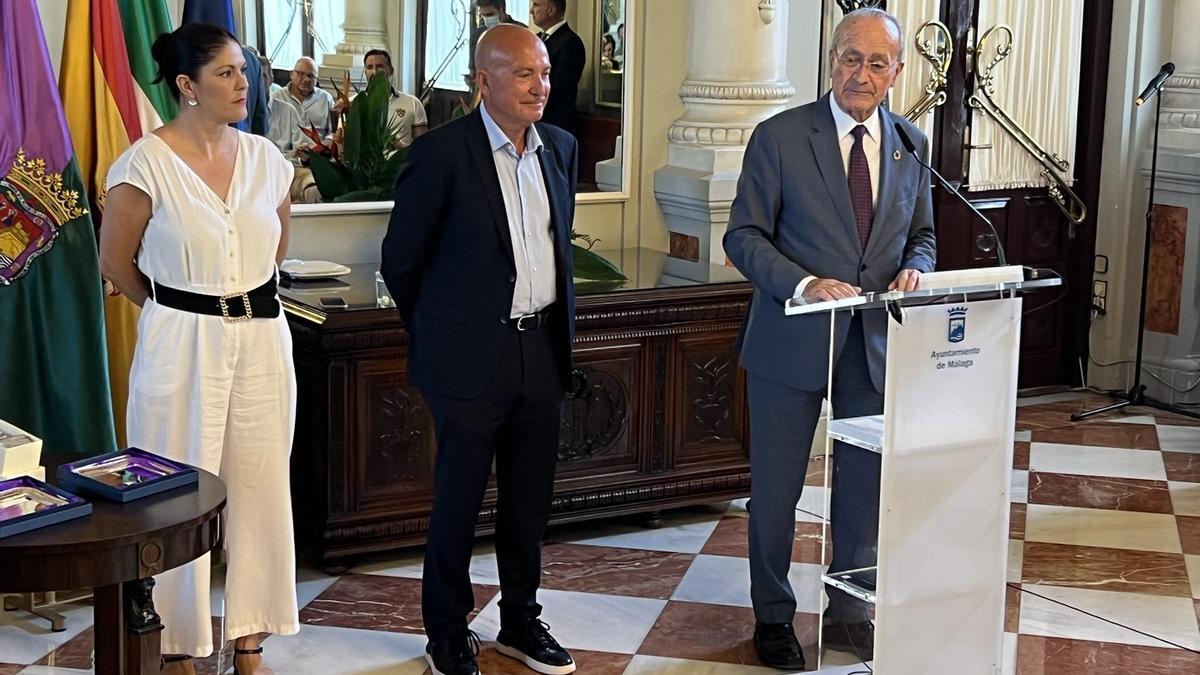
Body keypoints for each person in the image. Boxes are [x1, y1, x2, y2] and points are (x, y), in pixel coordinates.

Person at [722, 7, 936, 670]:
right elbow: (743, 237)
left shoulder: (911, 144)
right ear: (831, 60)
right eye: (850, 58)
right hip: (791, 344)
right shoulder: (781, 137)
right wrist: (806, 283)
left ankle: (851, 610)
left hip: (872, 346)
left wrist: (916, 270)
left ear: (897, 73)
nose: (860, 74)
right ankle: (774, 616)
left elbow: (923, 236)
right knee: (778, 492)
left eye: (877, 63)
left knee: (863, 491)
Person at [98, 22, 299, 675]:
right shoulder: (143, 163)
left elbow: (275, 249)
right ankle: (180, 642)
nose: (244, 84)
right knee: (175, 496)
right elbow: (115, 260)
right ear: (186, 85)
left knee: (262, 486)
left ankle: (250, 639)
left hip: (263, 338)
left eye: (244, 71)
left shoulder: (268, 161)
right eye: (226, 73)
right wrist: (178, 309)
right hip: (182, 342)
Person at [380, 24, 579, 675]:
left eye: (544, 73)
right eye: (523, 74)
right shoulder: (441, 155)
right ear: (483, 81)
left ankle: (520, 620)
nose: (539, 86)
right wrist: (446, 337)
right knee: (458, 502)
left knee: (529, 502)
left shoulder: (560, 149)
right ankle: (446, 630)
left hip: (540, 350)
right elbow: (401, 262)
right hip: (468, 361)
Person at [530, 0, 585, 138]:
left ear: (551, 10)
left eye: (536, 5)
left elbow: (559, 89)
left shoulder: (571, 43)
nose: (531, 10)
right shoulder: (535, 39)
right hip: (535, 123)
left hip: (556, 127)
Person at [362, 49, 428, 149]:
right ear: (365, 72)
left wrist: (401, 147)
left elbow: (423, 147)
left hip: (401, 162)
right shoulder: (353, 105)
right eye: (370, 67)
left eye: (380, 66)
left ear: (391, 70)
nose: (375, 72)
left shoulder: (413, 103)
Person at [270, 56, 336, 147]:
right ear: (291, 74)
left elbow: (333, 131)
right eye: (301, 74)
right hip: (286, 155)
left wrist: (326, 143)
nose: (306, 79)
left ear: (316, 80)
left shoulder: (326, 99)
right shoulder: (277, 98)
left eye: (311, 76)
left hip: (318, 155)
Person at [467, 0, 526, 85]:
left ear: (502, 9)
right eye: (483, 15)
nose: (487, 19)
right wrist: (471, 79)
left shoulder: (522, 33)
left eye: (490, 14)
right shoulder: (477, 36)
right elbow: (473, 71)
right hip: (487, 93)